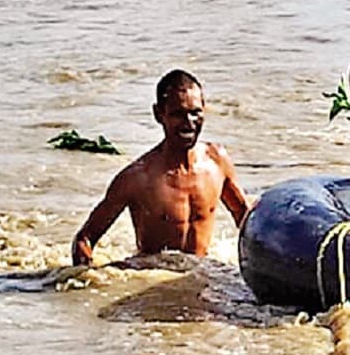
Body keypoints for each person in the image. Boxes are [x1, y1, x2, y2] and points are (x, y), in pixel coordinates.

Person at [71, 70, 249, 266]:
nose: (189, 123)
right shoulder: (137, 178)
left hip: (204, 275)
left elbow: (246, 221)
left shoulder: (217, 162)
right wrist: (89, 285)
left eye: (195, 112)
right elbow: (84, 240)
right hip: (154, 283)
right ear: (159, 114)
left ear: (205, 109)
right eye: (178, 114)